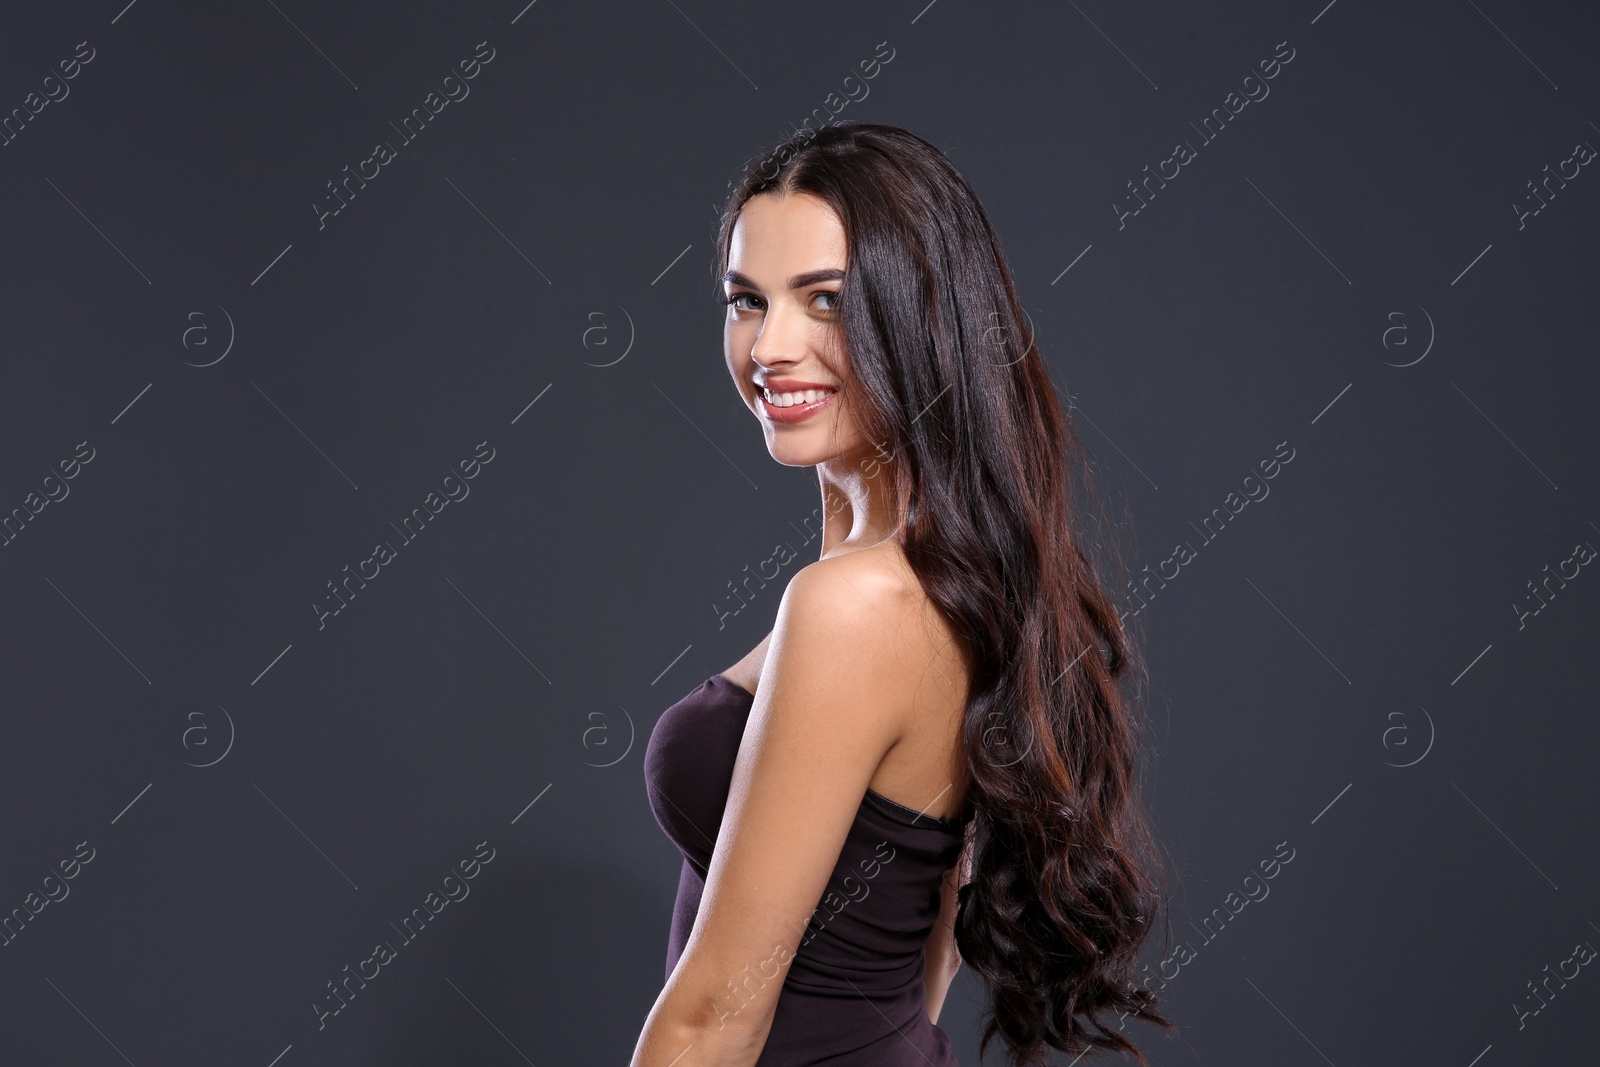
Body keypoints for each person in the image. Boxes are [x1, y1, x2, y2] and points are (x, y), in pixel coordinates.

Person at [635, 122, 1174, 1066]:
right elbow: (926, 942)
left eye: (827, 302)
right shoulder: (945, 579)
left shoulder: (855, 605)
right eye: (746, 300)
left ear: (922, 314)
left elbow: (715, 1010)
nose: (772, 345)